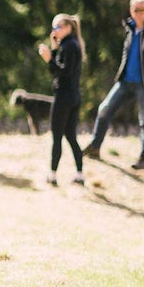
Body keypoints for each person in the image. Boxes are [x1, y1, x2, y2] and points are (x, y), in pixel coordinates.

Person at [82, 0, 144, 170]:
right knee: (104, 109)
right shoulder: (129, 28)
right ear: (131, 10)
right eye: (135, 9)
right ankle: (95, 146)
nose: (138, 13)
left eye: (142, 10)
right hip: (125, 81)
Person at [38, 14, 86, 186]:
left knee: (57, 135)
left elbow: (63, 71)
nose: (54, 31)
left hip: (64, 97)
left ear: (68, 28)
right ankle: (79, 174)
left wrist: (49, 59)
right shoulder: (69, 44)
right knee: (71, 136)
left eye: (57, 27)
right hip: (73, 96)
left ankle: (52, 175)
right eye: (53, 27)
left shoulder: (70, 45)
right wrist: (55, 49)